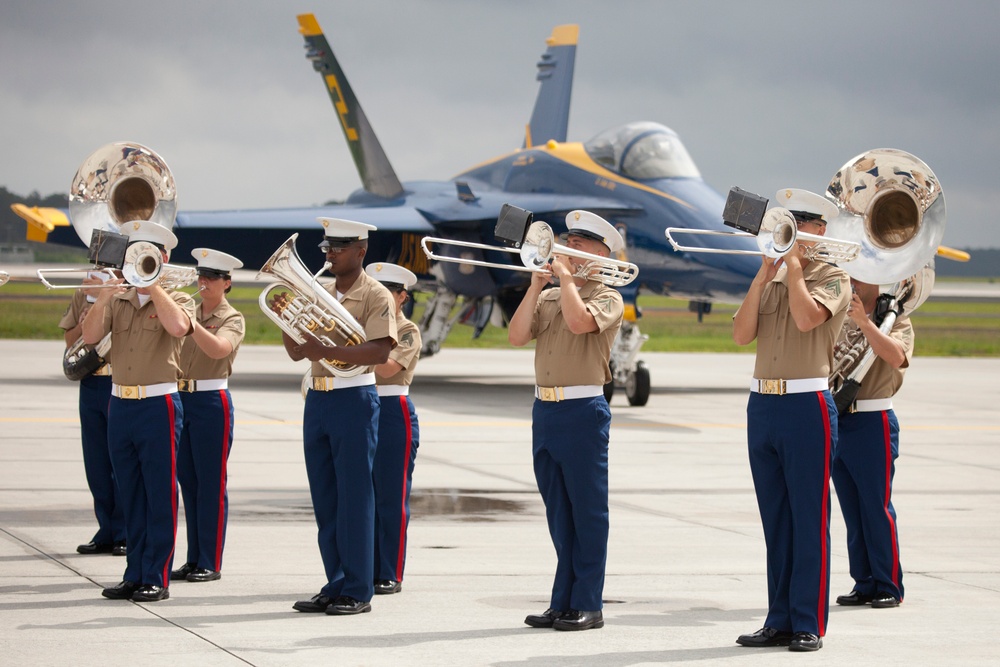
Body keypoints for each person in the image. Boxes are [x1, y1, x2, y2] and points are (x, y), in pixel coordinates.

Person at [732, 188, 851, 651]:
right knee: (775, 519)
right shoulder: (774, 275)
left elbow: (807, 320)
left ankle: (808, 621)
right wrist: (764, 276)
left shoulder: (834, 277)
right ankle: (778, 617)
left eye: (804, 223)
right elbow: (742, 334)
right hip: (763, 404)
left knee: (808, 516)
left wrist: (796, 269)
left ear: (821, 230)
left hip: (806, 405)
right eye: (789, 222)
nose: (795, 231)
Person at [508, 210, 624, 632]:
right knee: (559, 511)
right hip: (546, 409)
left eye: (576, 244)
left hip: (582, 410)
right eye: (566, 241)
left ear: (598, 253)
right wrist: (536, 284)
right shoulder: (551, 294)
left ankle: (588, 603)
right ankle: (563, 600)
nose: (565, 248)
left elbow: (579, 323)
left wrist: (569, 282)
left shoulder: (608, 296)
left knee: (587, 512)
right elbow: (517, 335)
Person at [278, 218, 397, 616]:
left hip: (354, 398)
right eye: (328, 247)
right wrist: (289, 312)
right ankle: (336, 582)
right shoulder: (320, 291)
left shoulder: (376, 294)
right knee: (326, 498)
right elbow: (298, 352)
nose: (331, 253)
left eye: (340, 247)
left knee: (355, 498)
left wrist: (324, 350)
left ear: (361, 251)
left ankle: (359, 588)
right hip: (319, 400)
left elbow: (379, 352)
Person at [82, 220, 196, 603]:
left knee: (158, 492)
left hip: (157, 403)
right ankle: (135, 572)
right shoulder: (119, 299)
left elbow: (180, 328)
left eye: (148, 254)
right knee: (129, 491)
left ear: (163, 257)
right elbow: (91, 336)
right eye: (136, 252)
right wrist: (105, 294)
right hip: (120, 401)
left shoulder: (179, 298)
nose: (141, 259)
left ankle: (157, 576)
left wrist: (153, 286)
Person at [831, 278, 913, 609]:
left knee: (875, 506)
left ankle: (889, 584)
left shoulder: (896, 317)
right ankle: (863, 580)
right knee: (851, 508)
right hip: (839, 415)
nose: (850, 279)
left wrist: (865, 323)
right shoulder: (839, 313)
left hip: (872, 419)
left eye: (859, 273)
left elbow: (896, 356)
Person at [170, 249, 246, 584]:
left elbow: (219, 349)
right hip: (181, 397)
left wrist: (190, 326)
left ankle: (210, 560)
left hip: (212, 400)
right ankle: (193, 557)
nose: (205, 282)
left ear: (226, 283)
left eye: (213, 277)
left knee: (211, 483)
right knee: (189, 482)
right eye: (202, 276)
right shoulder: (189, 309)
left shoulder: (233, 318)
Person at [58, 273, 126, 556]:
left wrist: (108, 297)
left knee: (121, 460)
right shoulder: (82, 294)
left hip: (118, 380)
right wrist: (90, 312)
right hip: (90, 379)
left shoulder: (131, 290)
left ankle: (125, 531)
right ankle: (106, 530)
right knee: (96, 462)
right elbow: (71, 340)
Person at [365, 262, 421, 596]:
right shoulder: (362, 327)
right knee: (360, 495)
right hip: (360, 404)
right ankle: (362, 565)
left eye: (389, 292)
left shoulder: (407, 330)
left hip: (391, 410)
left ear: (402, 297)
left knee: (390, 495)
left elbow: (387, 369)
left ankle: (389, 570)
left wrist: (348, 349)